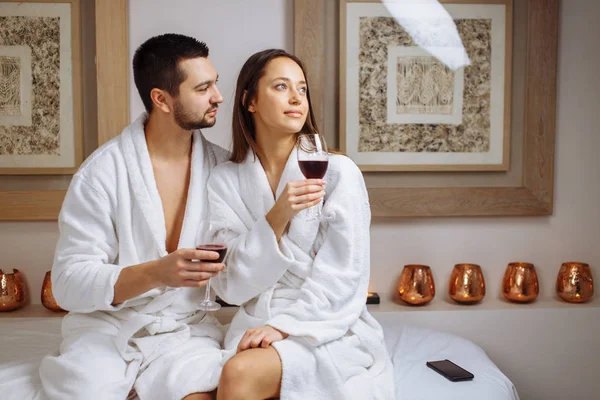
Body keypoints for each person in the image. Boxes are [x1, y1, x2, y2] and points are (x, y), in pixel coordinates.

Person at [39, 34, 229, 400]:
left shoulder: (223, 169)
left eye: (215, 83)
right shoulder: (102, 174)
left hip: (185, 330)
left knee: (201, 392)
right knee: (85, 391)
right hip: (107, 330)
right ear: (162, 99)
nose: (218, 96)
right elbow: (67, 283)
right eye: (203, 88)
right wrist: (157, 272)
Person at [206, 49, 395, 400]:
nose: (296, 98)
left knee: (239, 374)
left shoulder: (338, 172)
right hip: (256, 324)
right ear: (250, 101)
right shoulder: (225, 181)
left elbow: (345, 276)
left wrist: (285, 326)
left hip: (327, 325)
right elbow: (230, 286)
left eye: (302, 89)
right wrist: (277, 216)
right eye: (281, 86)